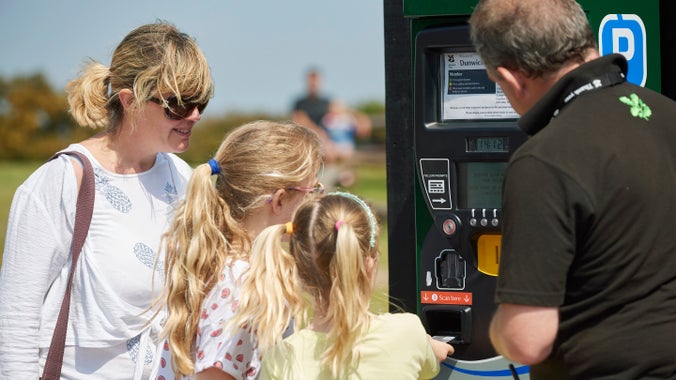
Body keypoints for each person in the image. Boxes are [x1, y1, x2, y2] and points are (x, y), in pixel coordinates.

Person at [468, 0, 676, 379]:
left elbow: (526, 341)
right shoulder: (667, 114)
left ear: (511, 78)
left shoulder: (544, 161)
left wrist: (497, 326)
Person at [0, 21, 214, 379]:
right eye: (178, 104)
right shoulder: (62, 182)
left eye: (201, 101)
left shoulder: (182, 177)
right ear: (129, 101)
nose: (194, 115)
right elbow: (15, 323)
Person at [153, 120, 324, 380]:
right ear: (278, 200)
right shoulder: (241, 286)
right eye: (312, 190)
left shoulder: (213, 259)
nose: (316, 200)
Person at [230, 192, 454, 379]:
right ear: (369, 263)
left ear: (301, 270)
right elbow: (431, 363)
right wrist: (432, 347)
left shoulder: (282, 358)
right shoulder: (407, 332)